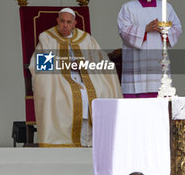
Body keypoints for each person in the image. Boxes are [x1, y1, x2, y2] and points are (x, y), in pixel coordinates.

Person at [29, 8, 122, 147]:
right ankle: (67, 141)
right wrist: (66, 64)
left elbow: (100, 60)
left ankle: (90, 140)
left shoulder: (86, 38)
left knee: (101, 91)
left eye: (68, 22)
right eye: (62, 21)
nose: (65, 25)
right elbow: (42, 65)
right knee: (69, 95)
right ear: (57, 21)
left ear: (74, 23)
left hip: (85, 78)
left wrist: (84, 65)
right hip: (58, 80)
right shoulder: (47, 38)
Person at [117, 0, 182, 98]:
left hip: (158, 61)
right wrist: (145, 29)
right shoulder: (128, 8)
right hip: (137, 62)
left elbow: (177, 29)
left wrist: (163, 30)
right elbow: (123, 30)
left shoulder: (166, 7)